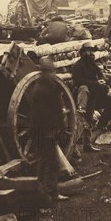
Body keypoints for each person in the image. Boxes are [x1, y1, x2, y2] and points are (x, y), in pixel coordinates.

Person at [72, 41, 111, 151]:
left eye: (91, 51)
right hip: (84, 96)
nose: (90, 53)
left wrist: (104, 83)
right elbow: (78, 82)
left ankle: (102, 124)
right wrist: (96, 84)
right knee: (88, 118)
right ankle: (86, 144)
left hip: (95, 93)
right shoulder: (78, 66)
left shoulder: (92, 65)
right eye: (88, 51)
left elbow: (101, 76)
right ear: (82, 53)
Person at [30, 58, 68, 201]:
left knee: (44, 160)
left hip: (43, 130)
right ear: (45, 73)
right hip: (45, 131)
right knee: (52, 162)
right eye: (51, 72)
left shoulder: (44, 87)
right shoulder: (44, 90)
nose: (53, 75)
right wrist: (53, 130)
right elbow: (45, 115)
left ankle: (39, 189)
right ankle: (48, 193)